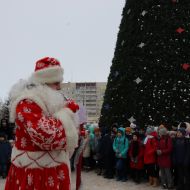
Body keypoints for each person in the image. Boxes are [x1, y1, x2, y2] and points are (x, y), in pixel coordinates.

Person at [5, 57, 79, 190]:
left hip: (54, 171)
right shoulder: (27, 102)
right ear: (44, 82)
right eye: (56, 83)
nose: (59, 87)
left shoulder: (51, 103)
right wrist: (66, 113)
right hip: (35, 175)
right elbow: (46, 136)